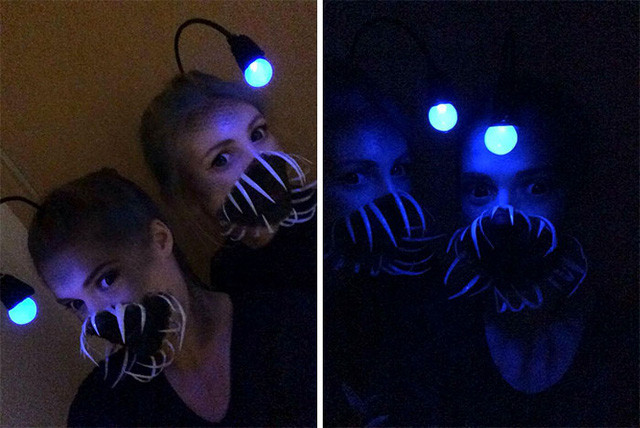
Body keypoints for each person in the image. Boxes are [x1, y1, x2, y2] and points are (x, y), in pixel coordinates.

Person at [27, 169, 315, 427]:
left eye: (107, 279)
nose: (98, 319)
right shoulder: (101, 409)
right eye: (76, 304)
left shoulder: (289, 325)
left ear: (160, 239)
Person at [437, 78, 638, 426]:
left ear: (572, 193)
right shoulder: (433, 341)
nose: (503, 216)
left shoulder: (623, 346)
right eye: (480, 190)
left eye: (535, 187)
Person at [323, 64, 444, 427]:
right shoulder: (307, 306)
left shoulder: (438, 290)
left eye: (400, 170)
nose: (390, 195)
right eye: (355, 177)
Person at [140, 71, 316, 294]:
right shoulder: (230, 274)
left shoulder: (332, 219)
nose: (260, 160)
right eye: (221, 159)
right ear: (189, 198)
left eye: (257, 134)